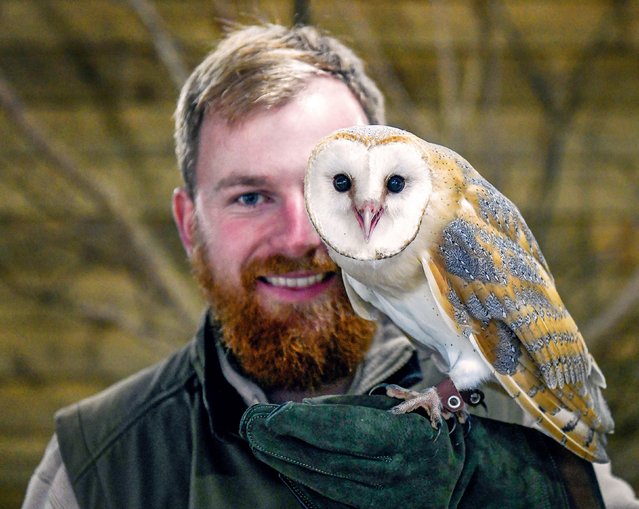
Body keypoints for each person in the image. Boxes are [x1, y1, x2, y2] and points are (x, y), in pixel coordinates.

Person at [22, 23, 638, 509]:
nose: (302, 235)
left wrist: (537, 494)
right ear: (189, 226)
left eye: (335, 192)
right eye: (251, 196)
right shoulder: (101, 462)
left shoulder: (509, 404)